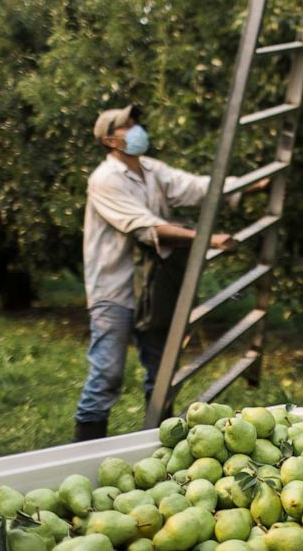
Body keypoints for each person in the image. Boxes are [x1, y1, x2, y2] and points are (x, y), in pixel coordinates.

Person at [74, 103, 240, 442]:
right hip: (114, 289)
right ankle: (83, 449)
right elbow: (146, 227)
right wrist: (208, 238)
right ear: (109, 141)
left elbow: (195, 186)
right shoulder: (104, 180)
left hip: (151, 286)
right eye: (126, 126)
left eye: (135, 122)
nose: (136, 129)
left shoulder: (149, 169)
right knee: (107, 373)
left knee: (161, 372)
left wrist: (249, 184)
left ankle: (156, 449)